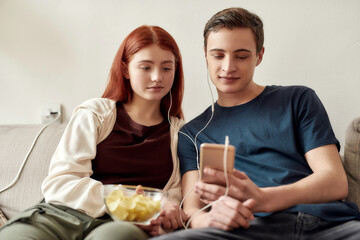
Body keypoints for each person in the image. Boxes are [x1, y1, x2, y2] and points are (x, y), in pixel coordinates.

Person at [151, 7, 360, 240]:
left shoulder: (298, 99)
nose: (228, 67)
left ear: (259, 55)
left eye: (241, 56)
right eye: (218, 55)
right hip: (246, 229)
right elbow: (191, 209)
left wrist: (264, 198)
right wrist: (208, 220)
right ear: (206, 55)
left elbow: (335, 181)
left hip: (325, 225)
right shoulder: (192, 133)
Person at [0, 25, 188, 240]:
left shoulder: (181, 133)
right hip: (62, 216)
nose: (157, 77)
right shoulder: (95, 113)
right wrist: (133, 199)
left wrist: (163, 219)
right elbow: (59, 184)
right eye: (146, 67)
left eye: (166, 68)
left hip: (122, 224)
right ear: (126, 70)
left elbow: (174, 202)